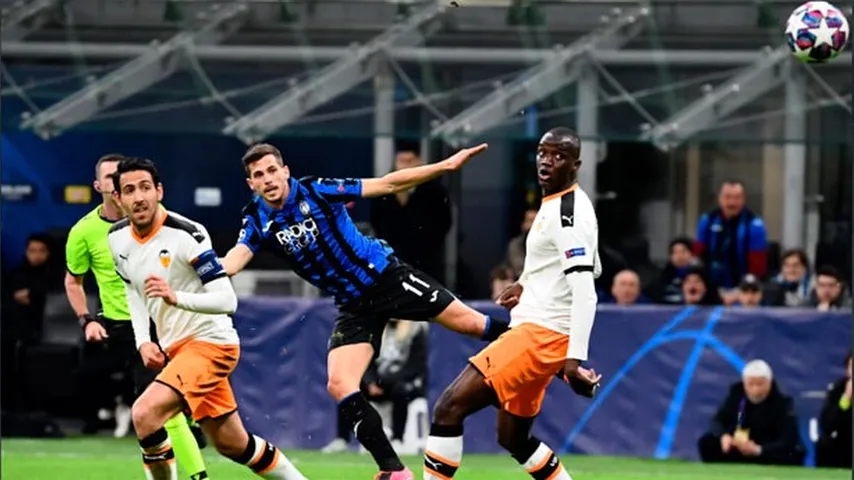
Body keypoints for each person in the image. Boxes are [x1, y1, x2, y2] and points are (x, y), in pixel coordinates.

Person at [222, 142, 512, 480]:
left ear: (285, 171)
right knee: (339, 383)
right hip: (353, 304)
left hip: (385, 277)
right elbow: (234, 260)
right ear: (251, 184)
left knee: (472, 324)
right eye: (259, 175)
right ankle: (394, 470)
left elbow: (387, 183)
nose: (268, 179)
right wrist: (199, 267)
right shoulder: (255, 218)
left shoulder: (317, 190)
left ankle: (537, 348)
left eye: (272, 170)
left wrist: (445, 167)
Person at [107, 157, 306, 480]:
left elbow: (227, 300)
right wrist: (143, 340)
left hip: (211, 344)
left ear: (159, 191)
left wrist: (176, 297)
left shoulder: (187, 234)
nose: (139, 197)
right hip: (178, 351)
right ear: (118, 199)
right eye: (129, 190)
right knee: (233, 444)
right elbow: (133, 289)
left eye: (145, 187)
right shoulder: (117, 239)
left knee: (145, 414)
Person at [422, 127, 602, 480]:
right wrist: (525, 284)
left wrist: (573, 361)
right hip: (539, 331)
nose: (547, 161)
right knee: (513, 437)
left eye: (559, 156)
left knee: (449, 407)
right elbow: (575, 267)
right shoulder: (555, 204)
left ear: (576, 165)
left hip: (539, 336)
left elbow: (586, 288)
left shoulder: (570, 214)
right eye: (543, 152)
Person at [65, 153, 208, 477]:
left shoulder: (162, 226)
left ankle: (197, 464)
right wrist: (86, 320)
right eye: (112, 178)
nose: (121, 184)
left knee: (157, 409)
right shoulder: (86, 232)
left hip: (166, 321)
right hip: (122, 330)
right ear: (101, 186)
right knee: (150, 412)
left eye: (126, 178)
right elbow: (73, 280)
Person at [323, 320, 428, 454]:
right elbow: (366, 358)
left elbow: (414, 366)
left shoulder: (416, 329)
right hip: (376, 382)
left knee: (400, 390)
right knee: (346, 387)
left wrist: (385, 381)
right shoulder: (376, 327)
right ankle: (342, 439)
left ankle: (397, 439)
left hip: (400, 382)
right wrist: (371, 381)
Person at [697, 360, 805, 466]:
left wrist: (758, 449)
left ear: (769, 383)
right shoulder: (736, 394)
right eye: (750, 384)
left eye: (760, 384)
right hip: (740, 443)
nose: (755, 390)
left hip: (767, 447)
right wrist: (724, 436)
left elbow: (789, 439)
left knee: (791, 453)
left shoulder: (782, 402)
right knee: (708, 442)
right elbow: (718, 420)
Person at [370, 147, 452, 283]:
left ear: (419, 162)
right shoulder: (383, 193)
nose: (404, 166)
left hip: (426, 263)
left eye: (409, 161)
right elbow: (376, 222)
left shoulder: (435, 192)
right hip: (391, 262)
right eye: (401, 161)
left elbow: (443, 223)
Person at [693, 181, 768, 301]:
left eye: (737, 198)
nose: (732, 202)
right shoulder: (707, 220)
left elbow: (758, 268)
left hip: (742, 293)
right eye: (728, 197)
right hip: (710, 290)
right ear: (720, 198)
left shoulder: (754, 225)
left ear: (743, 200)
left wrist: (739, 293)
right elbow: (697, 259)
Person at [815, 352, 852, 468]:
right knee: (824, 444)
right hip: (844, 443)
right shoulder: (837, 389)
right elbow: (826, 425)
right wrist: (846, 399)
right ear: (847, 370)